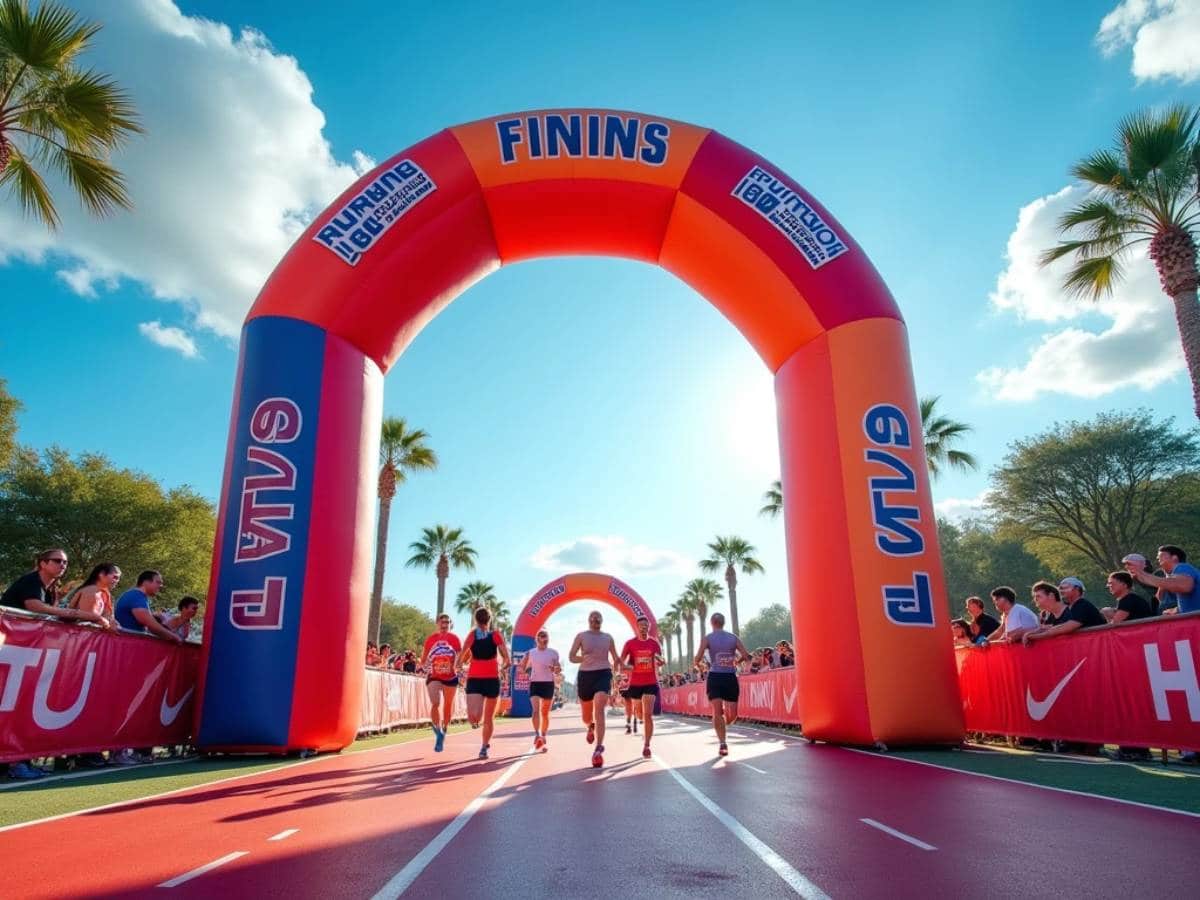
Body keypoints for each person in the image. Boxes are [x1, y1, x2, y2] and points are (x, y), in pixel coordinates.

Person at [569, 610, 622, 768]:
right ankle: (590, 726)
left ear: (602, 621)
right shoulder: (581, 636)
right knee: (587, 716)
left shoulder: (608, 637)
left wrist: (621, 667)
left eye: (598, 618)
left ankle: (598, 748)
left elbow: (615, 657)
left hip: (603, 673)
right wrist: (583, 657)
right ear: (588, 621)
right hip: (585, 675)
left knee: (599, 708)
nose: (595, 621)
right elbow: (572, 656)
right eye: (592, 618)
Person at [694, 612, 750, 757]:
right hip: (728, 676)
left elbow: (697, 658)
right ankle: (723, 743)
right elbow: (746, 655)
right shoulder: (733, 638)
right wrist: (736, 662)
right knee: (727, 715)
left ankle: (722, 737)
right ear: (723, 623)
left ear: (712, 623)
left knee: (721, 714)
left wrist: (701, 667)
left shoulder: (708, 638)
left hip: (717, 677)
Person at [458, 607, 510, 760]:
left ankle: (484, 746)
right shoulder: (472, 635)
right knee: (474, 717)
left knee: (488, 718)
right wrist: (458, 665)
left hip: (492, 679)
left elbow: (505, 656)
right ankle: (481, 735)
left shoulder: (495, 635)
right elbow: (463, 653)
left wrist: (503, 666)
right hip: (474, 678)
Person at [620, 616, 664, 759]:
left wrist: (660, 661)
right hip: (635, 684)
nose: (644, 627)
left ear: (649, 626)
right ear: (637, 627)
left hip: (650, 682)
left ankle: (647, 745)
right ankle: (638, 718)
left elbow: (660, 658)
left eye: (646, 625)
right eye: (641, 625)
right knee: (639, 713)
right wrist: (628, 667)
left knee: (647, 714)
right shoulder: (630, 644)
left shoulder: (653, 643)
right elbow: (622, 662)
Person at [420, 613, 461, 753]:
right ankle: (438, 732)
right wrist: (425, 665)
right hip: (434, 676)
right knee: (435, 703)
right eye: (442, 622)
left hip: (450, 677)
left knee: (448, 706)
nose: (445, 624)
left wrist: (456, 665)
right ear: (437, 623)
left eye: (447, 622)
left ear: (450, 624)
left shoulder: (454, 639)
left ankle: (444, 728)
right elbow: (424, 659)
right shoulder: (431, 639)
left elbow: (460, 656)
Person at [1023, 578, 1106, 645]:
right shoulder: (1072, 606)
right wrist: (1033, 632)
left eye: (1065, 588)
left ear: (1076, 589)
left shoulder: (1082, 604)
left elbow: (1065, 627)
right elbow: (1056, 626)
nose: (1061, 591)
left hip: (1100, 645)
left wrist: (1034, 637)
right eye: (1060, 588)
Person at [1128, 545, 1200, 616]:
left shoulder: (1181, 567)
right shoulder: (1179, 574)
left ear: (1174, 558)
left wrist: (1143, 574)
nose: (1157, 558)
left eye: (1161, 556)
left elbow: (1185, 586)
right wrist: (1177, 610)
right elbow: (1160, 598)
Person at [521, 629, 561, 752]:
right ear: (537, 639)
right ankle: (537, 734)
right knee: (535, 711)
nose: (544, 639)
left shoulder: (553, 653)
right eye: (541, 637)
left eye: (546, 637)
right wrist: (527, 670)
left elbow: (558, 669)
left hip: (548, 684)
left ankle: (543, 735)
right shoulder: (531, 653)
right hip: (535, 683)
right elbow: (522, 667)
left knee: (545, 713)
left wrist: (555, 668)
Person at [114, 571, 182, 643]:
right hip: (126, 643)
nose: (161, 586)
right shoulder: (136, 596)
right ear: (145, 582)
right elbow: (151, 625)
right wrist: (174, 637)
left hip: (127, 642)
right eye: (158, 582)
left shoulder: (137, 596)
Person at [67, 563, 120, 629]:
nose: (117, 581)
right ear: (102, 574)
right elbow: (88, 622)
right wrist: (107, 625)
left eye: (118, 579)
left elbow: (107, 617)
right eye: (115, 577)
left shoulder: (104, 594)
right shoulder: (92, 591)